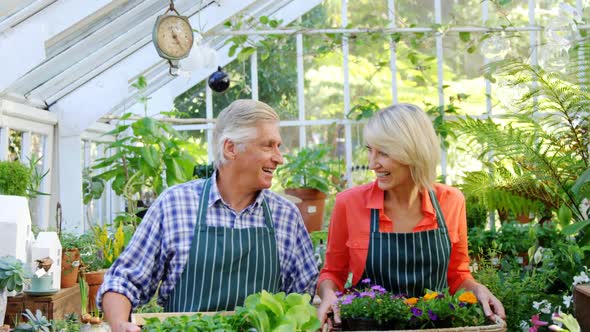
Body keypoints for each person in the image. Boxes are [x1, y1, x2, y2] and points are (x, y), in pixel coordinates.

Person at [98, 99, 319, 332]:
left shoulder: (285, 217)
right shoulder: (175, 205)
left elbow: (302, 298)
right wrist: (121, 324)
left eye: (278, 146)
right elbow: (122, 281)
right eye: (268, 146)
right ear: (230, 148)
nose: (279, 158)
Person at [317, 103, 505, 326]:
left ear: (414, 153)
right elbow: (332, 274)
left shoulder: (451, 202)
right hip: (368, 327)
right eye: (370, 150)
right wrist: (328, 294)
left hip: (435, 328)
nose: (371, 164)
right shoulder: (349, 203)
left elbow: (457, 276)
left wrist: (477, 289)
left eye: (383, 153)